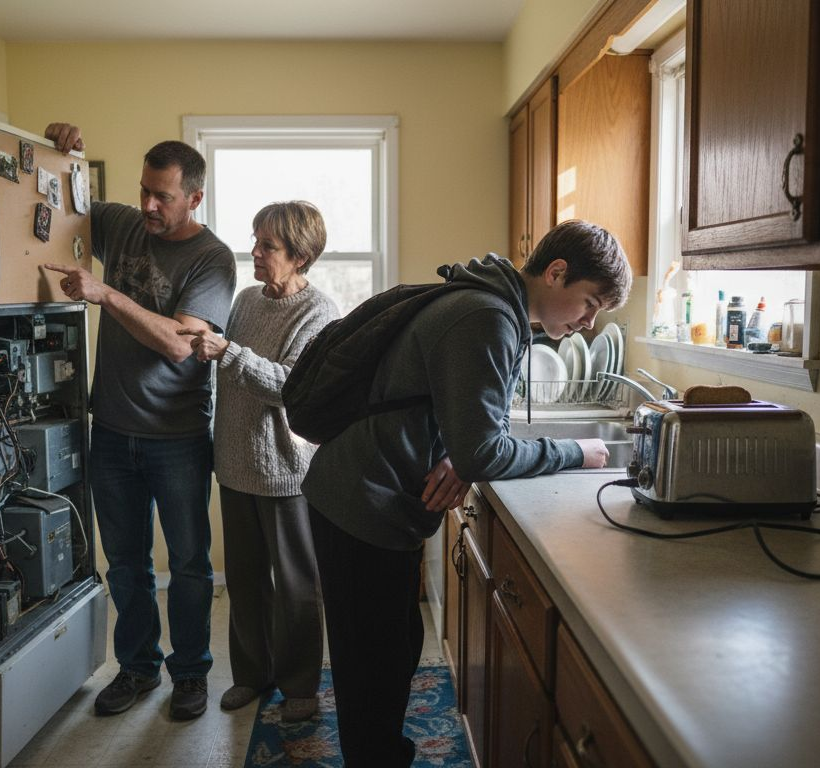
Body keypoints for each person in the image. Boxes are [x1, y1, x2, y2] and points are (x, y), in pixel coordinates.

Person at [301, 219, 631, 766]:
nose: (588, 323)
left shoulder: (487, 302)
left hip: (373, 498)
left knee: (393, 655)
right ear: (556, 272)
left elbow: (467, 432)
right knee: (372, 678)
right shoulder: (487, 317)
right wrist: (578, 452)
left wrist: (459, 449)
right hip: (361, 503)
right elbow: (485, 453)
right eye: (590, 303)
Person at [43, 123, 237, 720]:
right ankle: (136, 669)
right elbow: (56, 198)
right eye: (145, 191)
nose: (149, 206)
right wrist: (61, 156)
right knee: (124, 563)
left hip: (176, 439)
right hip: (112, 434)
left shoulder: (212, 259)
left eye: (165, 197)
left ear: (195, 199)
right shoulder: (127, 223)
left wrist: (106, 296)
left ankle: (190, 675)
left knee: (186, 565)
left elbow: (181, 344)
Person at [179, 201, 340, 723]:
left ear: (299, 255)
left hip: (287, 471)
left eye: (267, 245)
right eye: (255, 240)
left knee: (296, 587)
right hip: (233, 462)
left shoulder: (319, 312)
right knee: (245, 582)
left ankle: (299, 685)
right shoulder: (246, 300)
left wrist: (228, 353)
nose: (254, 251)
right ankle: (252, 675)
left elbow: (293, 387)